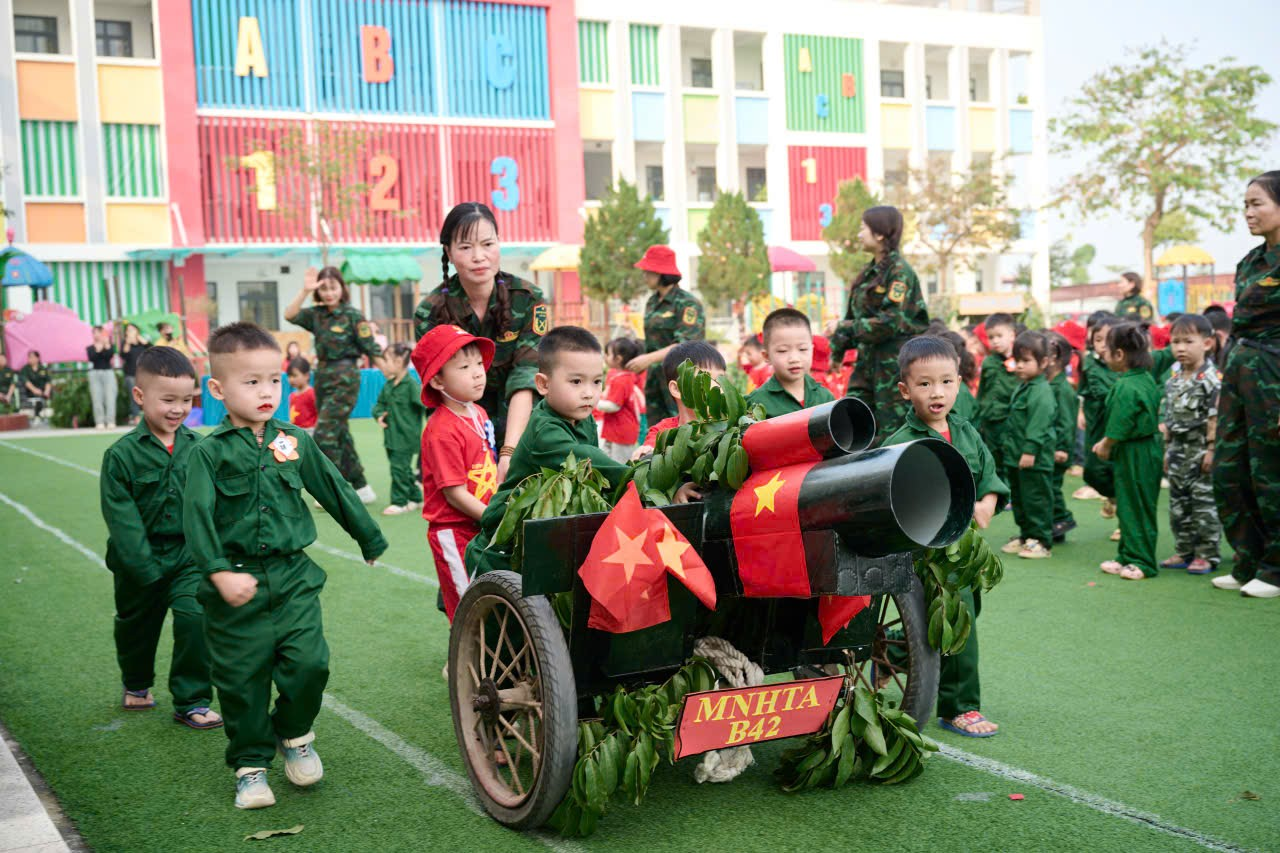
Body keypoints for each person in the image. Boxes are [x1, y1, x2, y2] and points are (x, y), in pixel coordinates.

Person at [183, 322, 387, 810]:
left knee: (309, 664)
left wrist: (368, 535)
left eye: (274, 380)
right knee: (243, 680)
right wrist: (218, 571)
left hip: (294, 577)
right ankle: (250, 765)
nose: (266, 392)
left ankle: (293, 733)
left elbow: (333, 487)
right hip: (236, 583)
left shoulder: (294, 439)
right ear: (218, 390)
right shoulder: (208, 453)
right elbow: (196, 516)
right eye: (251, 381)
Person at [884, 336, 1007, 737]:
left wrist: (987, 501)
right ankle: (960, 706)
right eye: (924, 384)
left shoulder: (965, 432)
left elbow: (989, 475)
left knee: (956, 616)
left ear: (959, 383)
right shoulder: (899, 444)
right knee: (958, 619)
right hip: (925, 552)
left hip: (966, 549)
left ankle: (897, 650)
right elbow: (885, 497)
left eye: (946, 382)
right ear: (905, 390)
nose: (937, 392)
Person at [100, 346, 220, 729]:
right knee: (136, 627)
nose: (178, 409)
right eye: (168, 400)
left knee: (195, 618)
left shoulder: (201, 448)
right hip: (138, 560)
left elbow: (212, 504)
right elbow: (123, 520)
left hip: (187, 556)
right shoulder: (120, 456)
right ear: (140, 396)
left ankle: (192, 699)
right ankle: (136, 683)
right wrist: (146, 570)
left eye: (186, 400)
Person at [466, 327, 632, 579]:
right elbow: (592, 461)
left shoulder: (583, 418)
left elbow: (592, 476)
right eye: (576, 382)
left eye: (597, 381)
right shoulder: (545, 431)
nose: (589, 392)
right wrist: (642, 474)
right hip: (502, 548)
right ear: (543, 384)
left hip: (544, 537)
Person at [413, 202, 548, 484]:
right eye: (465, 247)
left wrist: (509, 452)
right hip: (461, 430)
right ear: (449, 252)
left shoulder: (528, 298)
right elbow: (440, 389)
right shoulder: (431, 312)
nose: (479, 257)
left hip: (521, 422)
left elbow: (525, 376)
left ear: (499, 243)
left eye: (487, 244)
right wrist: (478, 451)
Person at [1212, 171, 1280, 599]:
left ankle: (1276, 569)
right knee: (1229, 470)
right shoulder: (1251, 261)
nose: (1248, 213)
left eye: (1257, 203)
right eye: (1245, 205)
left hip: (1275, 378)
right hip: (1240, 376)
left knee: (1271, 473)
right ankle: (1248, 561)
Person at [413, 325, 498, 621]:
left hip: (481, 524)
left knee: (489, 598)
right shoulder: (441, 430)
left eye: (479, 363)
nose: (477, 373)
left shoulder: (478, 413)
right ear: (437, 380)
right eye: (464, 367)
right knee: (468, 606)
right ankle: (463, 650)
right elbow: (455, 494)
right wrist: (495, 518)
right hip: (454, 531)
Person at [828, 205, 929, 443]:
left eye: (863, 228)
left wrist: (842, 328)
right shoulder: (868, 273)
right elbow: (853, 315)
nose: (859, 234)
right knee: (854, 422)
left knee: (892, 434)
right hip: (866, 364)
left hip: (893, 367)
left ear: (880, 234)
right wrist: (837, 350)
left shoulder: (899, 272)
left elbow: (889, 322)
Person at [285, 266, 382, 503]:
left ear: (342, 288)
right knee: (340, 434)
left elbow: (371, 347)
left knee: (324, 434)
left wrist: (391, 372)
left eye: (333, 287)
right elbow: (289, 315)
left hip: (346, 378)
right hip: (323, 378)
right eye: (324, 289)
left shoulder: (353, 315)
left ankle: (333, 488)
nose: (329, 293)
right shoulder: (317, 315)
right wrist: (305, 290)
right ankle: (361, 487)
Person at [1093, 323, 1162, 581]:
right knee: (1129, 504)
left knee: (1136, 505)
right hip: (1142, 448)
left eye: (1107, 349)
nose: (1102, 353)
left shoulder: (1126, 386)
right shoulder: (1144, 378)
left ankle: (1142, 560)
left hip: (1136, 451)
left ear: (1120, 354)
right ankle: (1127, 555)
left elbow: (1120, 423)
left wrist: (1106, 444)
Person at [1161, 314, 1221, 575]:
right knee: (1178, 505)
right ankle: (1184, 550)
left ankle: (1206, 554)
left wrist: (1211, 450)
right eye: (1176, 342)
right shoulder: (1174, 379)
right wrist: (1167, 450)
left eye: (1188, 341)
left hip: (1200, 451)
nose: (1181, 348)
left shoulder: (1212, 379)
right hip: (1178, 451)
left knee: (1203, 504)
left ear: (1206, 343)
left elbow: (1215, 417)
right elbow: (1169, 417)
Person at [626, 246, 706, 422]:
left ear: (660, 273)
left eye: (648, 271)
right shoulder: (652, 301)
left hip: (680, 378)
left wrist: (648, 359)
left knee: (684, 426)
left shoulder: (687, 303)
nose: (645, 276)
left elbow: (687, 345)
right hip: (656, 379)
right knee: (658, 430)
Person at [999, 331, 1056, 560]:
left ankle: (1041, 541)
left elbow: (1038, 425)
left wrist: (1030, 450)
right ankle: (1026, 535)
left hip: (1034, 459)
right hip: (1016, 456)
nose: (1020, 365)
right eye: (1017, 360)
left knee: (1036, 500)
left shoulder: (1041, 391)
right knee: (1021, 499)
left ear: (1043, 362)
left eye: (1026, 360)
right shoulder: (1024, 386)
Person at [635, 341, 727, 453]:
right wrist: (645, 452)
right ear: (677, 389)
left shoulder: (731, 429)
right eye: (704, 379)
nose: (717, 387)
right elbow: (651, 448)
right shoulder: (663, 432)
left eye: (721, 379)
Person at [748, 308, 835, 418]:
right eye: (783, 351)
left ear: (812, 350)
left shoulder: (825, 398)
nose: (794, 358)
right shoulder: (757, 403)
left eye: (802, 349)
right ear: (767, 356)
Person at [372, 343, 425, 516]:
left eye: (386, 360)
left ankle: (399, 502)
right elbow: (379, 405)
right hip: (390, 437)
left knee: (398, 469)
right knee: (404, 469)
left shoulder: (411, 385)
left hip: (406, 437)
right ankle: (416, 497)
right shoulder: (388, 385)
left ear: (399, 361)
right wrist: (379, 415)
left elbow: (426, 405)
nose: (383, 364)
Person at [1075, 313, 1119, 514]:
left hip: (1116, 421)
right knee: (1092, 470)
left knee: (1116, 467)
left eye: (1107, 339)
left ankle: (1121, 509)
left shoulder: (1123, 364)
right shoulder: (1089, 361)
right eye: (1098, 339)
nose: (1102, 345)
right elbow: (1084, 389)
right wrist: (1081, 411)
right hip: (1095, 422)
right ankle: (1113, 496)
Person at [974, 314, 1019, 473]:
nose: (995, 341)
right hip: (990, 421)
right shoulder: (988, 362)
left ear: (1012, 335)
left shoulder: (1021, 361)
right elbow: (982, 392)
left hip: (1009, 420)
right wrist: (979, 414)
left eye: (999, 336)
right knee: (993, 462)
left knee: (1010, 462)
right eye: (991, 337)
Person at [1044, 332, 1078, 543]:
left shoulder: (1062, 388)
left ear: (1054, 358)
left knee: (1051, 486)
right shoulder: (1048, 385)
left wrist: (1062, 448)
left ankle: (1062, 519)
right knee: (1046, 485)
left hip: (1057, 449)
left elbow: (1066, 422)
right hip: (1048, 447)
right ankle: (1052, 522)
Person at [597, 337, 645, 463]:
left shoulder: (621, 380)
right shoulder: (624, 376)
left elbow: (613, 406)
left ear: (618, 359)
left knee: (620, 463)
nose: (605, 357)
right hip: (616, 430)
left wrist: (595, 402)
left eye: (608, 354)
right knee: (609, 459)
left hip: (621, 431)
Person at [87, 325, 118, 430]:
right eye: (94, 333)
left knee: (110, 397)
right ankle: (99, 421)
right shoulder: (90, 348)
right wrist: (98, 348)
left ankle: (110, 421)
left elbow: (109, 355)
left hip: (108, 372)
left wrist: (106, 344)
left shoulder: (109, 346)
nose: (96, 335)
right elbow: (92, 358)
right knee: (97, 398)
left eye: (98, 332)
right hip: (95, 373)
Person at [121, 324, 150, 424]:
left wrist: (143, 341)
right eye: (128, 330)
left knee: (148, 395)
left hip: (145, 374)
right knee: (134, 396)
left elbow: (152, 350)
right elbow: (123, 355)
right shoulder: (125, 343)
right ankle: (136, 417)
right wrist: (127, 343)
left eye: (133, 329)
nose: (131, 331)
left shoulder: (142, 342)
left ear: (137, 331)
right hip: (131, 374)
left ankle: (149, 416)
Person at [18, 350, 51, 419]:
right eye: (29, 357)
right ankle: (37, 414)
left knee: (45, 396)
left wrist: (47, 391)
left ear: (37, 358)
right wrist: (35, 390)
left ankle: (37, 413)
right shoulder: (25, 369)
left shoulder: (43, 369)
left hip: (43, 392)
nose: (30, 359)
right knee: (37, 397)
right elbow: (26, 382)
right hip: (30, 392)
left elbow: (48, 381)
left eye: (32, 357)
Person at [286, 358, 317, 430]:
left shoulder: (311, 393)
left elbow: (319, 414)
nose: (291, 379)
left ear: (307, 376)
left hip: (309, 431)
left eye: (294, 375)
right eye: (289, 376)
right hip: (296, 431)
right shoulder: (292, 396)